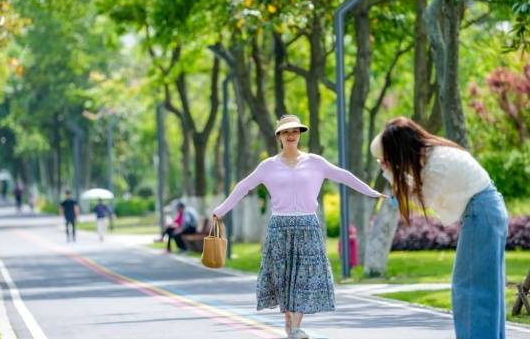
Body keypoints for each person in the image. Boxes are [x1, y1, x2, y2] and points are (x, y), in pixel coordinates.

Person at [212, 114, 386, 339]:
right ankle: (291, 326)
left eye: (295, 131)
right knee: (284, 281)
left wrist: (372, 192)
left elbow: (344, 177)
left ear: (300, 135)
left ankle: (295, 328)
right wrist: (221, 210)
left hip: (308, 227)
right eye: (286, 132)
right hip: (279, 229)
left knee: (303, 279)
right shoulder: (268, 166)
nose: (291, 135)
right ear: (279, 137)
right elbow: (243, 186)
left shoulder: (315, 162)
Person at [370, 116, 508, 339]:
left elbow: (422, 199)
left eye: (387, 159)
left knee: (470, 290)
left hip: (482, 212)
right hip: (487, 211)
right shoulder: (433, 154)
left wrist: (389, 172)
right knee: (486, 290)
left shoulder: (436, 164)